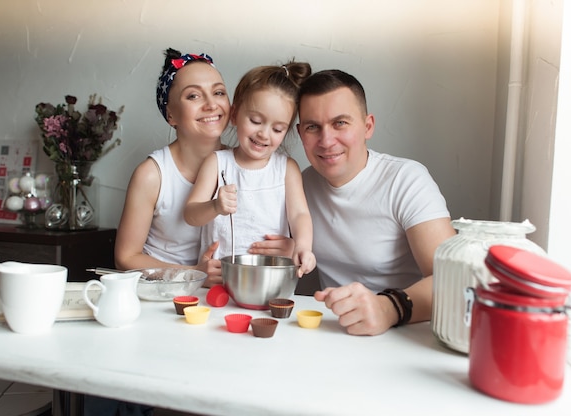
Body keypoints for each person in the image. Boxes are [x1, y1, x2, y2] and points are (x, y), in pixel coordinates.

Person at [114, 48, 295, 287]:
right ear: (171, 114)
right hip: (162, 292)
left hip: (217, 295)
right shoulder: (152, 174)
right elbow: (125, 257)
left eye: (218, 92)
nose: (211, 104)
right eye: (193, 96)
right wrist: (193, 273)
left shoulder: (245, 165)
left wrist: (289, 245)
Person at [295, 69, 456, 336]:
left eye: (340, 123)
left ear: (368, 126)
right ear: (301, 133)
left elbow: (453, 281)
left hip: (408, 331)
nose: (326, 140)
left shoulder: (406, 179)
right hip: (335, 332)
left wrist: (387, 308)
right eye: (313, 127)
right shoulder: (302, 184)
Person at [184, 61, 316, 277]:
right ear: (234, 115)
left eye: (277, 128)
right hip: (220, 277)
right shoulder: (217, 163)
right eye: (255, 121)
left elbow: (300, 214)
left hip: (270, 278)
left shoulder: (286, 168)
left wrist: (303, 246)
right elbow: (190, 214)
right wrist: (215, 206)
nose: (264, 134)